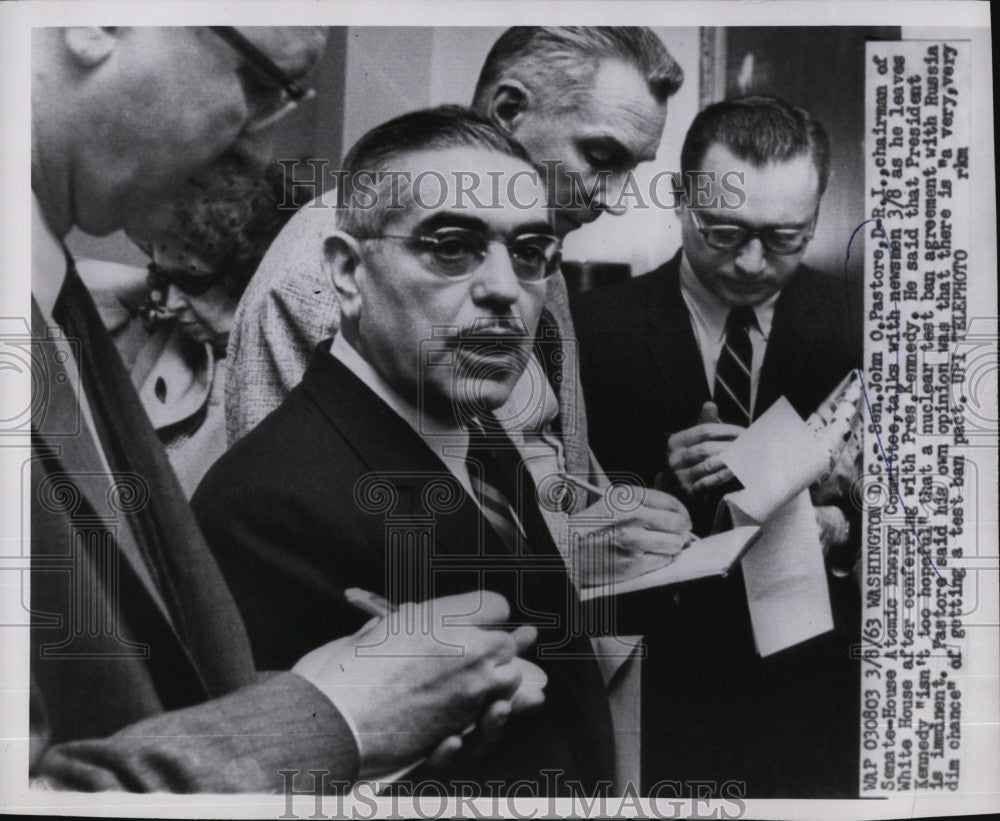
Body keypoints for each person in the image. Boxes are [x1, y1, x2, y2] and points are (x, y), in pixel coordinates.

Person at [30, 26, 536, 792]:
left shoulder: (51, 299)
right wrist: (331, 715)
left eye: (532, 253)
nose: (261, 151)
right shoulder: (271, 498)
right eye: (259, 80)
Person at [193, 106, 692, 794]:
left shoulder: (473, 427)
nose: (502, 289)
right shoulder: (267, 510)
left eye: (528, 253)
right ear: (345, 271)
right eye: (451, 246)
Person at [225, 26, 684, 493]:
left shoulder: (534, 246)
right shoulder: (330, 261)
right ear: (508, 110)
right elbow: (306, 511)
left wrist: (611, 508)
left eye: (632, 169)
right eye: (601, 155)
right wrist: (576, 559)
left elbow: (551, 443)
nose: (616, 199)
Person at [571, 96, 861, 796]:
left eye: (785, 237)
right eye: (724, 232)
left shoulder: (869, 325)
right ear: (679, 198)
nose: (753, 262)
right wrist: (659, 485)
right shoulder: (587, 328)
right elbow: (545, 511)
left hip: (813, 700)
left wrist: (842, 527)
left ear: (817, 216)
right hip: (649, 693)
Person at [78, 158, 297, 496]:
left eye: (192, 281)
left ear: (248, 271)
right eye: (163, 276)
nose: (171, 303)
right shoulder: (156, 331)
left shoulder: (290, 375)